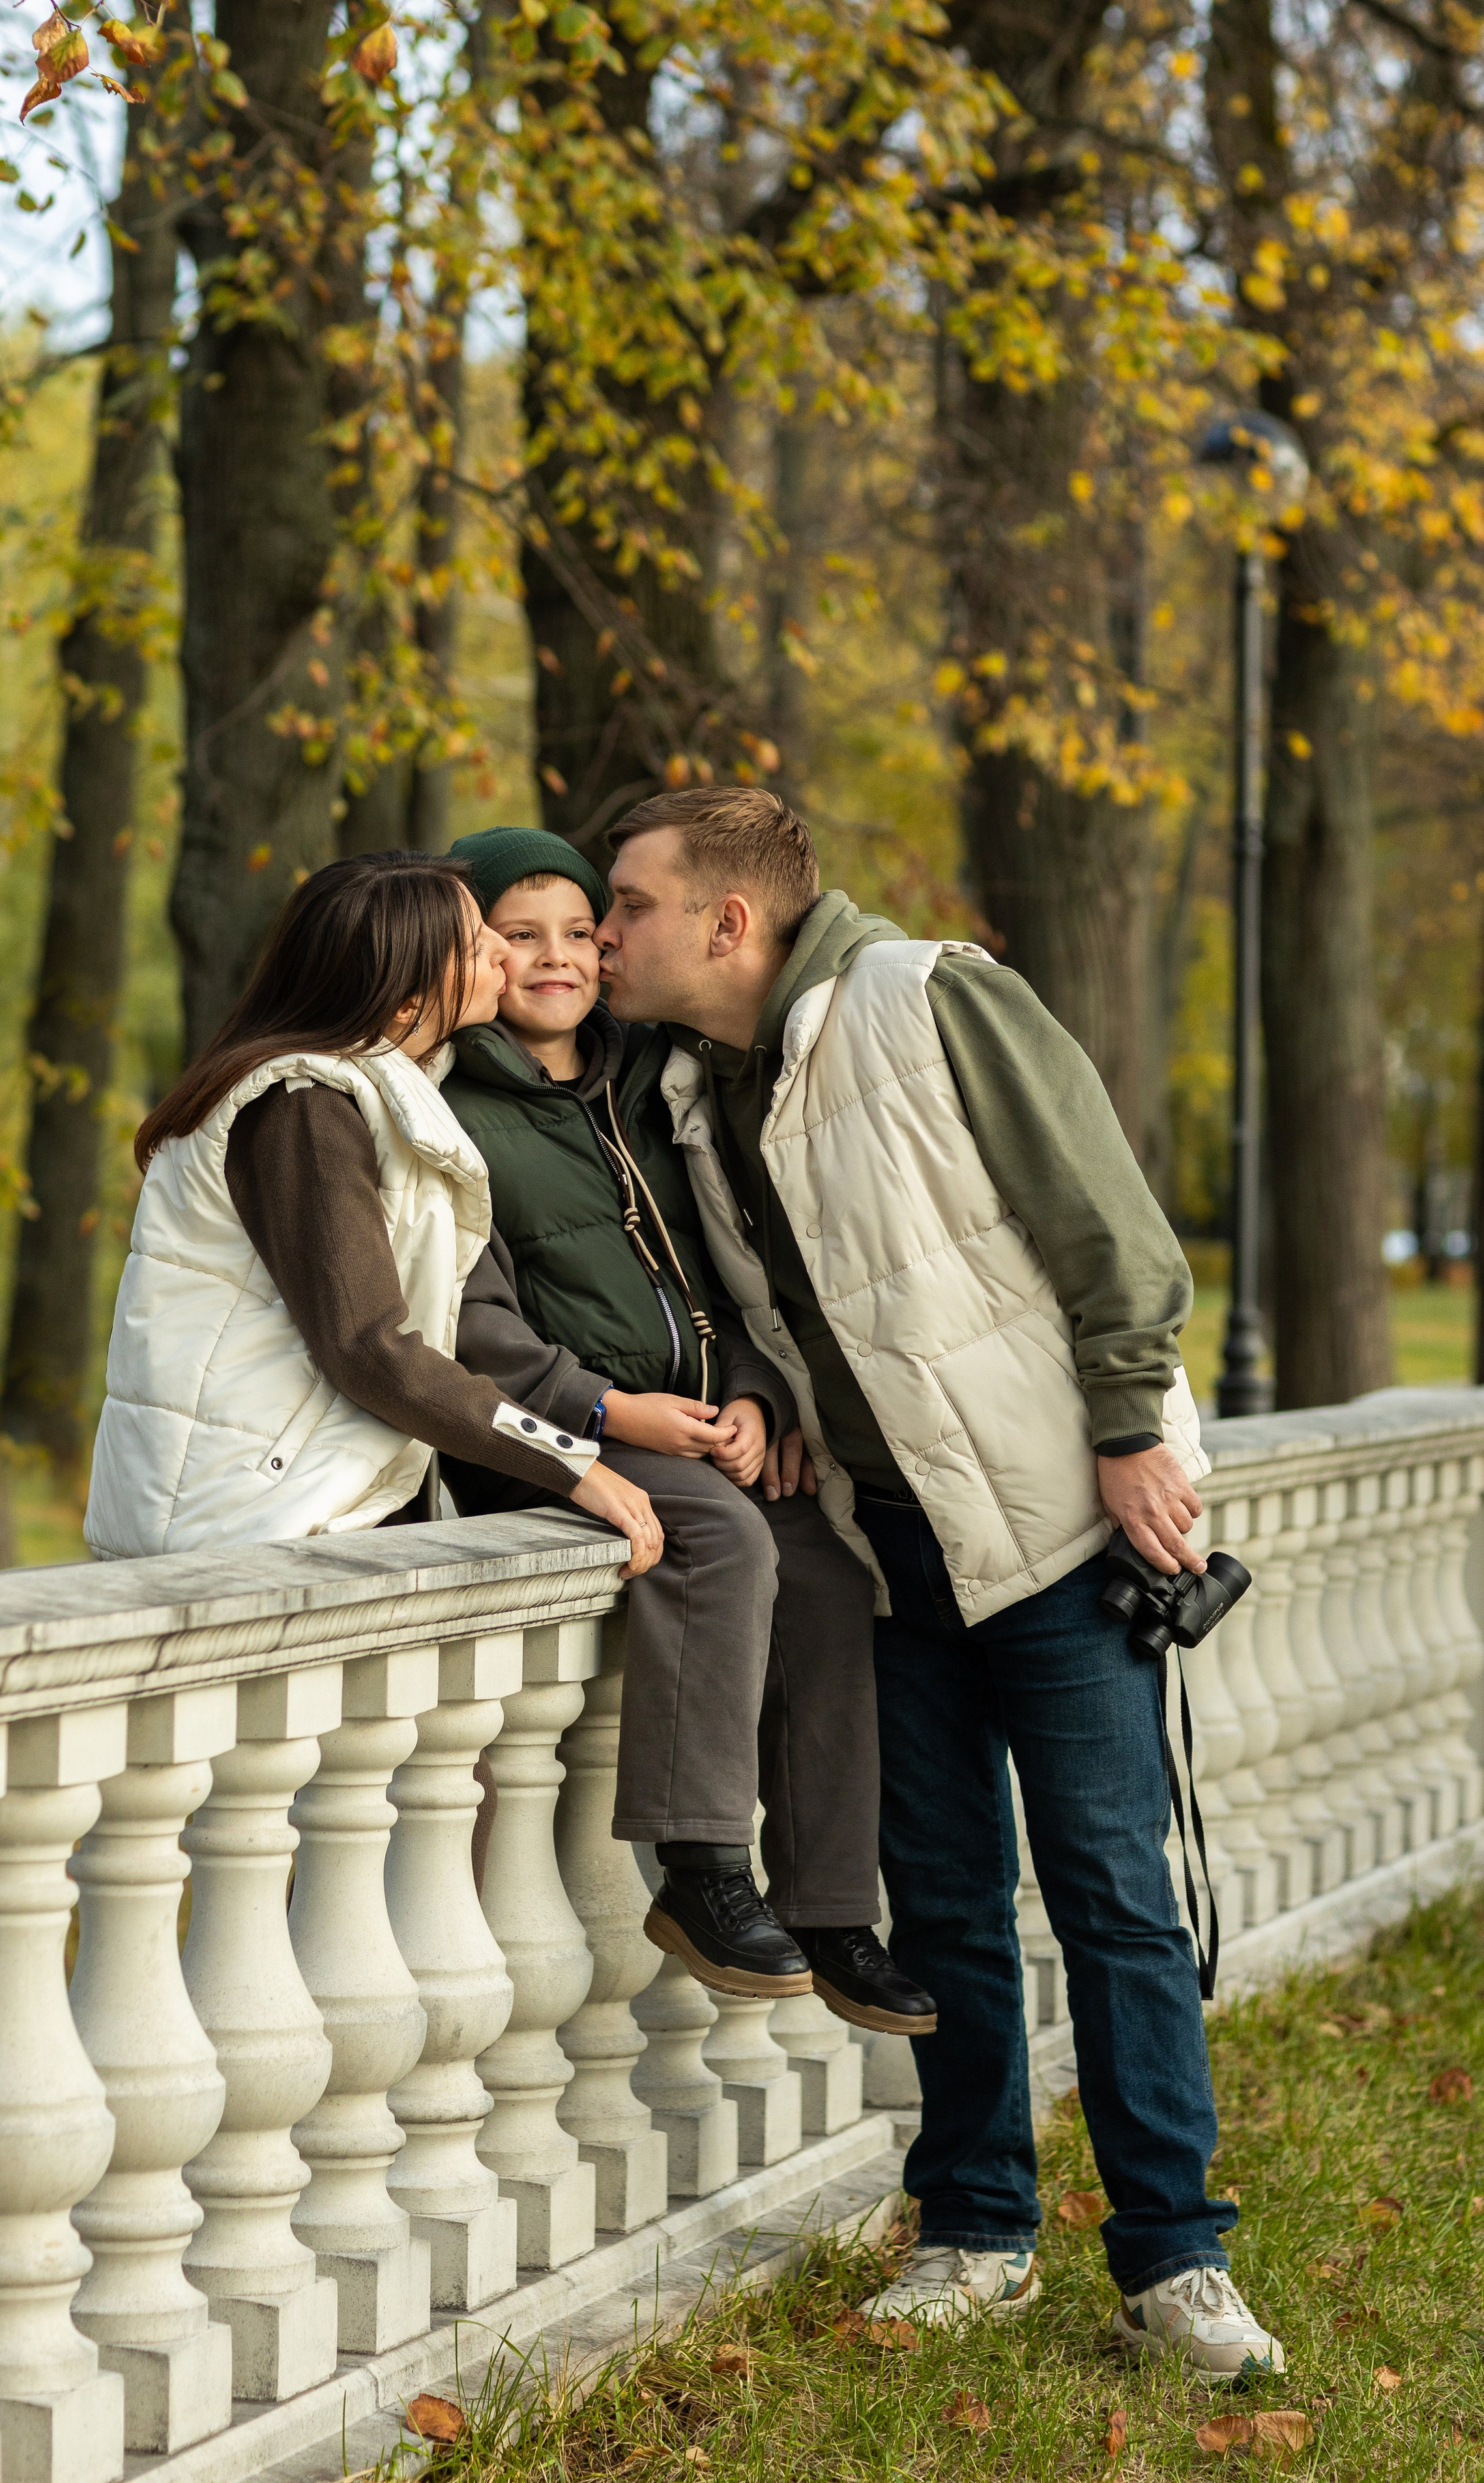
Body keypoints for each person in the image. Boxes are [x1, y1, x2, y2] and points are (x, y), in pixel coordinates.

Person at [591, 783, 1286, 2383]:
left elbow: (1109, 1229)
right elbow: (770, 1312)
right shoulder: (689, 1094)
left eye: (627, 904)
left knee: (1109, 1893)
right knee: (947, 1903)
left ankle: (1172, 2260)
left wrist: (1130, 1432)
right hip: (883, 1546)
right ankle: (974, 2231)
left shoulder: (927, 997)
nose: (606, 933)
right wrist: (765, 1397)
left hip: (1055, 1526)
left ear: (726, 921)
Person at [437, 826, 934, 2038]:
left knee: (826, 1568)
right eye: (519, 935)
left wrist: (758, 1393)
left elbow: (725, 1268)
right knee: (719, 1538)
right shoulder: (451, 1112)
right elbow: (467, 1326)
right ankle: (703, 1867)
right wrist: (609, 1410)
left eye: (579, 929)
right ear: (472, 953)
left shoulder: (650, 1084)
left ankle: (830, 1909)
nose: (558, 956)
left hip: (700, 1421)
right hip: (556, 1437)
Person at [85, 852, 661, 1568]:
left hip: (308, 1504)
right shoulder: (301, 1107)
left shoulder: (383, 1094)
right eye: (475, 946)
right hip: (251, 1520)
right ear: (405, 1003)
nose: (501, 956)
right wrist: (572, 1466)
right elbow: (367, 1345)